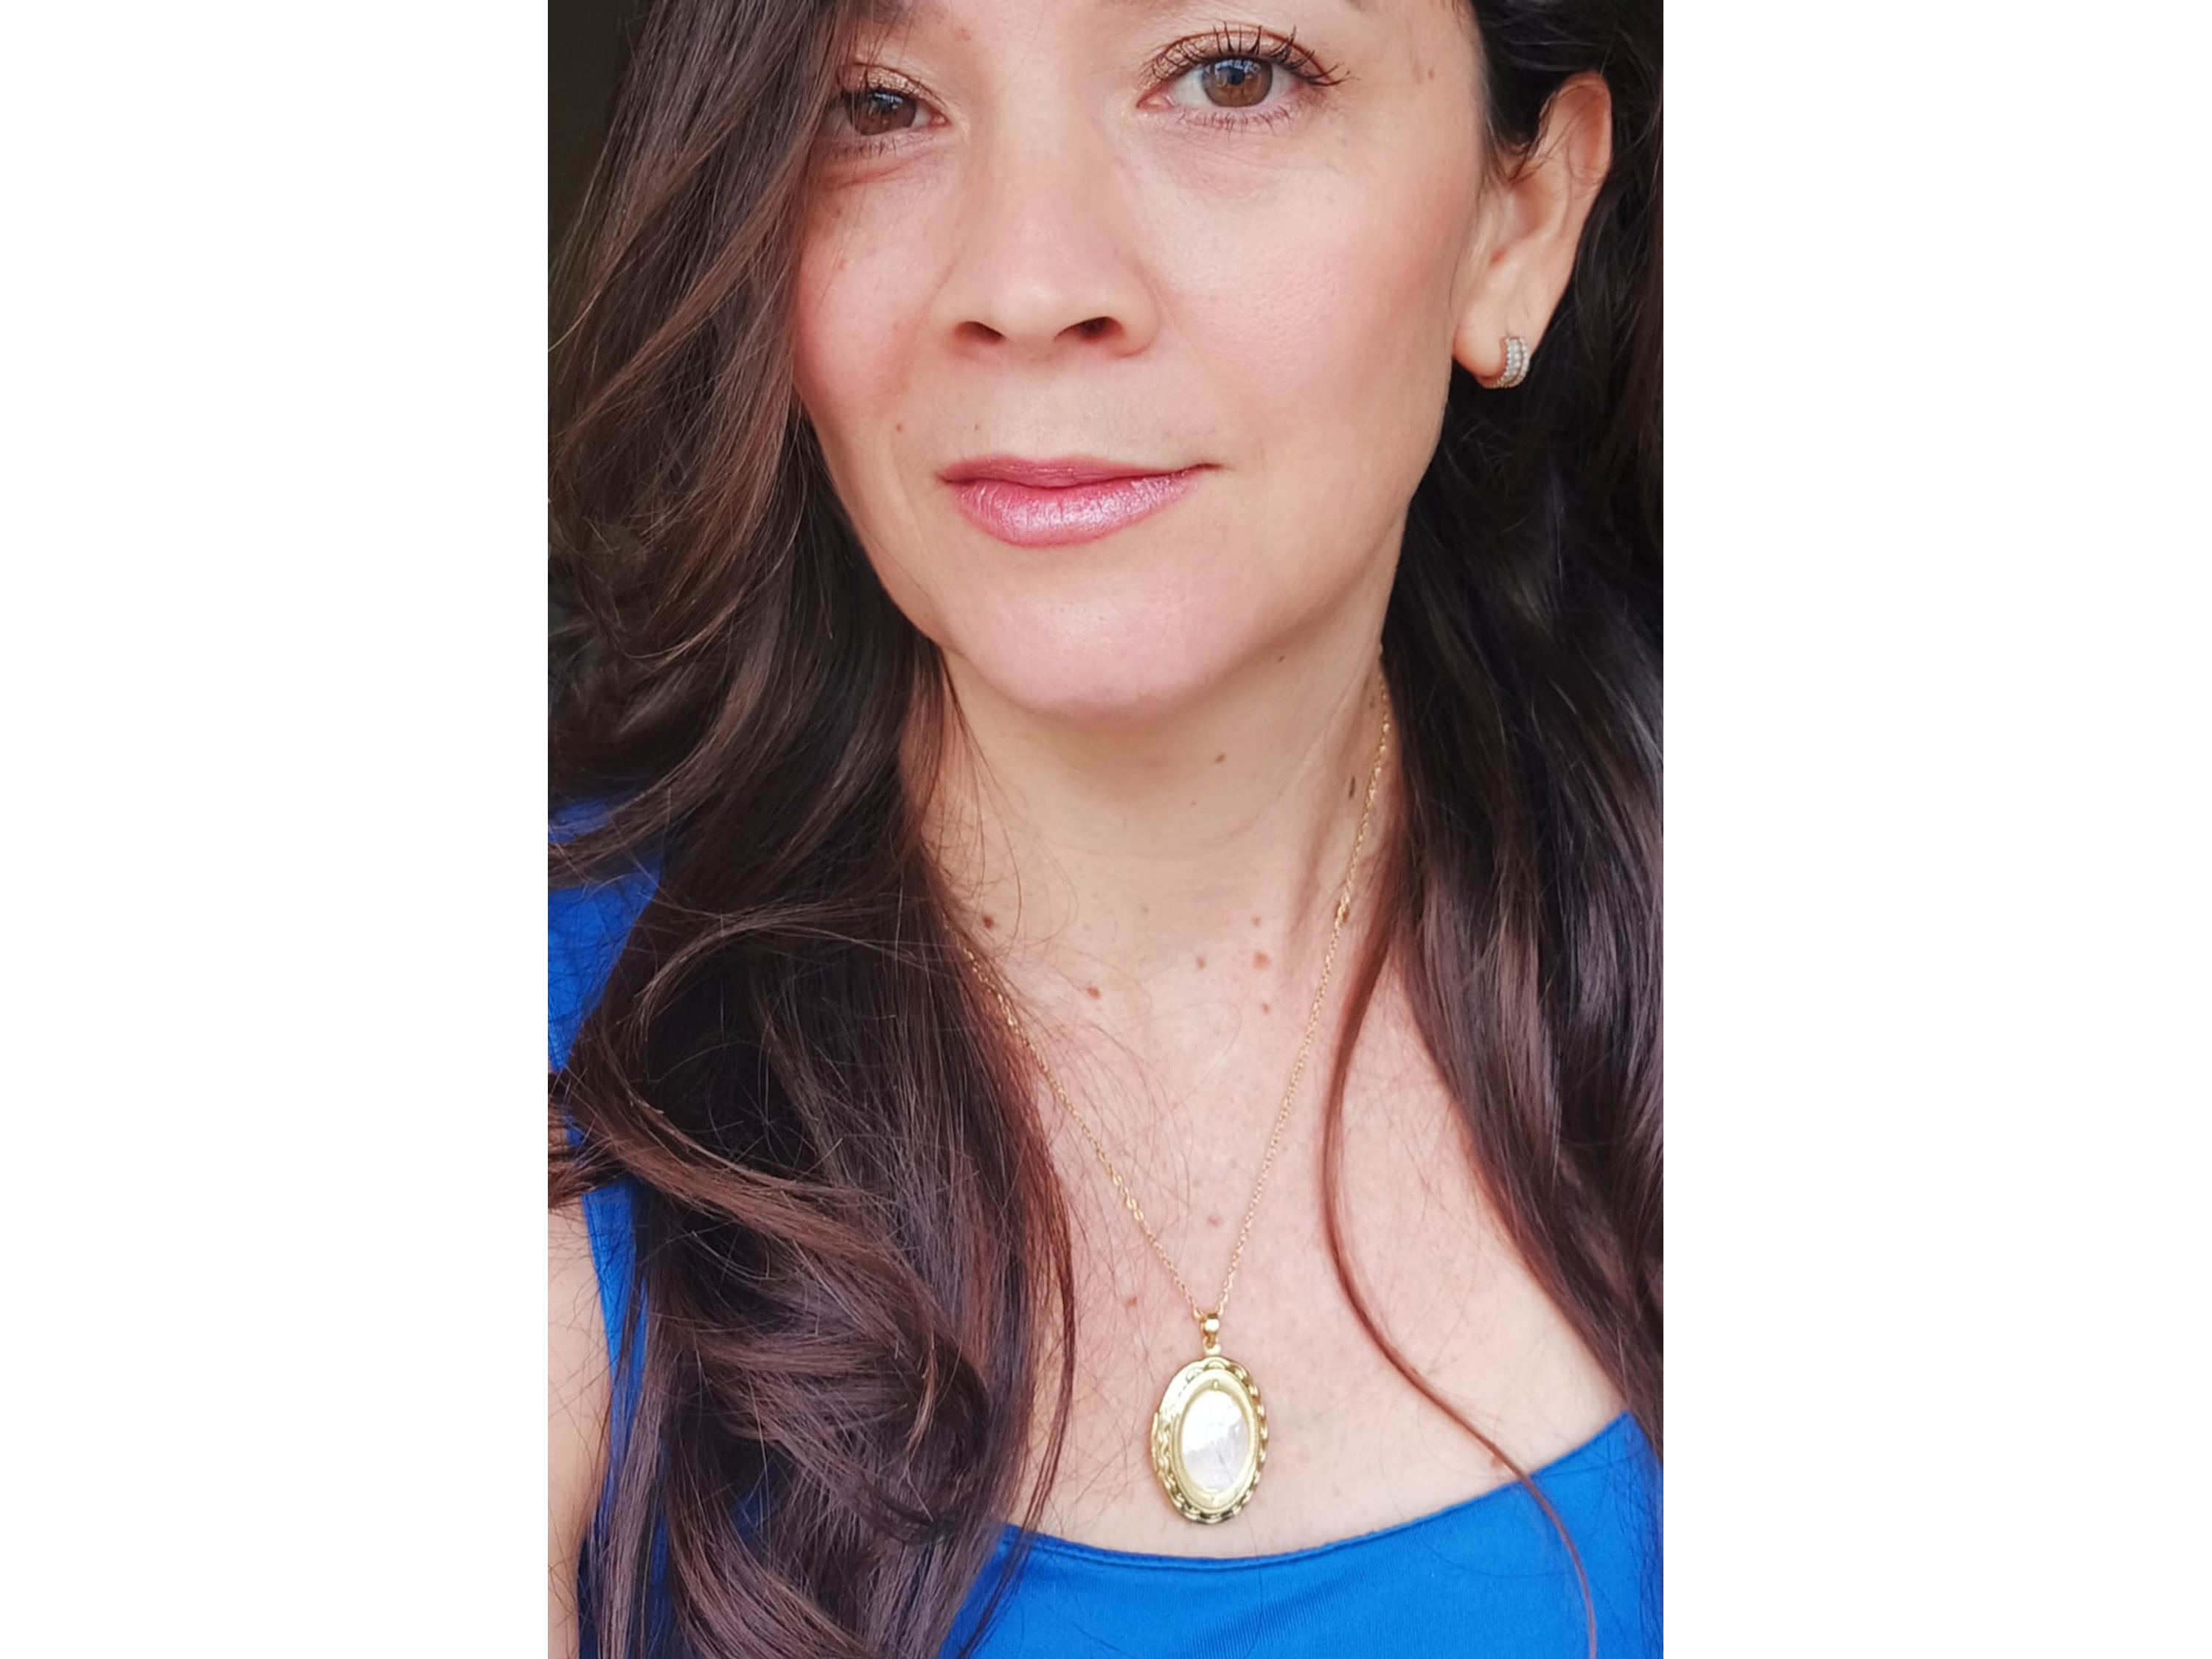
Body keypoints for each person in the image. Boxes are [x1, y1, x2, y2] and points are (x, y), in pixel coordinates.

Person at [548, 1, 1663, 1654]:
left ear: (1525, 219)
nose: (1027, 280)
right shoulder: (586, 1100)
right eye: (879, 103)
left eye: (1231, 75)